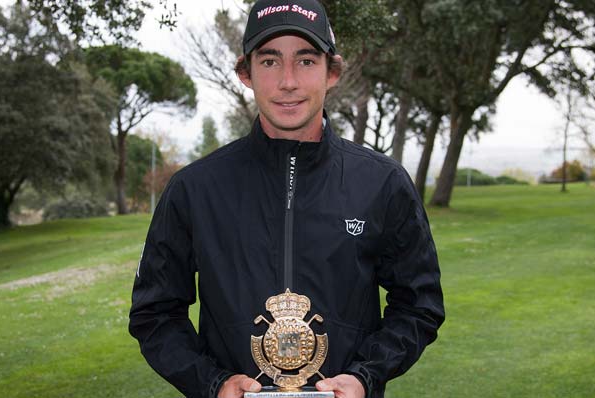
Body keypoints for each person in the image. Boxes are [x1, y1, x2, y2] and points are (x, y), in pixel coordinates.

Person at [128, 1, 444, 398]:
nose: (288, 81)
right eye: (271, 61)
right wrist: (212, 383)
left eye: (307, 61)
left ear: (332, 72)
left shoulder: (383, 183)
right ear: (246, 72)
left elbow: (419, 304)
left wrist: (365, 375)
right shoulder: (194, 189)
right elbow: (155, 313)